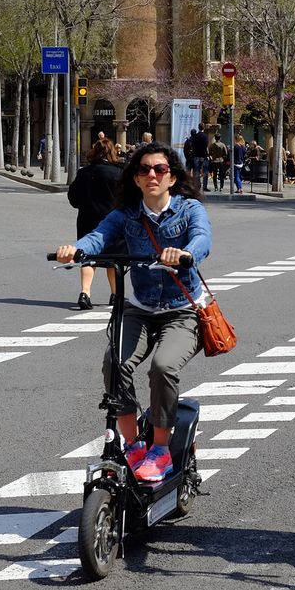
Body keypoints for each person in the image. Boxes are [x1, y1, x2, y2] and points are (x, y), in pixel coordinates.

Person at [54, 142, 212, 484]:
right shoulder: (126, 213)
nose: (152, 174)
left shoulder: (189, 210)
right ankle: (134, 444)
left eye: (159, 169)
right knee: (115, 364)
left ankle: (159, 449)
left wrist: (185, 255)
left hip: (181, 311)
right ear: (136, 179)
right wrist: (76, 250)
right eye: (144, 170)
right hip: (138, 308)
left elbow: (202, 239)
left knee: (163, 366)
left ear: (172, 177)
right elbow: (98, 237)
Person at [66, 137, 123, 309]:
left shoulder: (84, 173)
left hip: (87, 219)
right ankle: (115, 295)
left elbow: (73, 199)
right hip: (112, 221)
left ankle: (85, 293)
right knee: (113, 259)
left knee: (88, 257)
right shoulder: (118, 174)